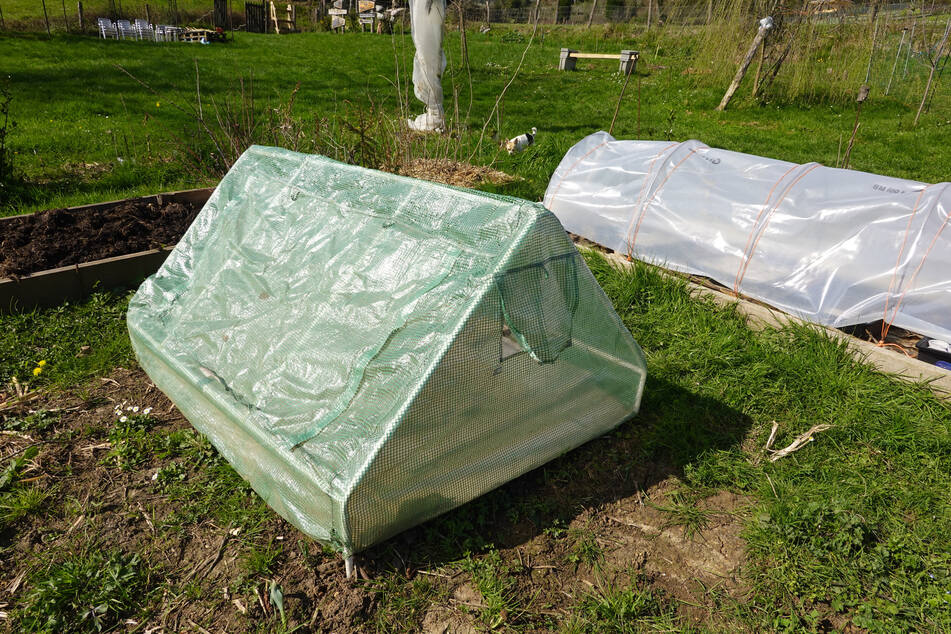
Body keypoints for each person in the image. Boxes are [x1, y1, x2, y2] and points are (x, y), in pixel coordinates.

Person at [407, 0, 446, 132]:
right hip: (429, 10)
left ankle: (435, 114)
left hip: (429, 11)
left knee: (428, 58)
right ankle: (435, 113)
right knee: (426, 58)